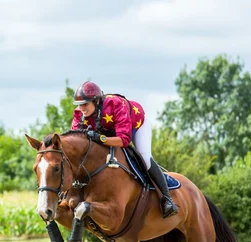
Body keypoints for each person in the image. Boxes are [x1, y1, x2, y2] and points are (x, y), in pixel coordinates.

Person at [71, 80, 178, 218]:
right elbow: (76, 139)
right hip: (110, 131)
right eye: (79, 105)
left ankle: (167, 199)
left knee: (145, 158)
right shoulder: (79, 114)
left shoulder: (115, 104)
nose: (82, 108)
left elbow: (124, 140)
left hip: (136, 127)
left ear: (96, 101)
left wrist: (100, 139)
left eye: (85, 104)